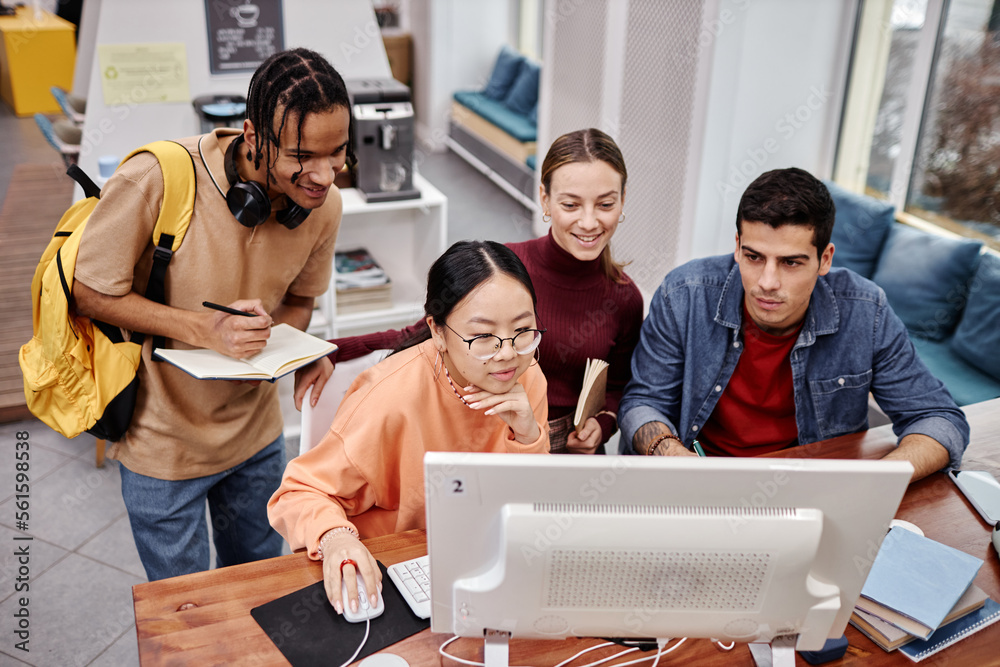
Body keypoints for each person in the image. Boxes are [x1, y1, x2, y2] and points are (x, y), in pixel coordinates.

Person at [72, 48, 349, 580]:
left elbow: (299, 303)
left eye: (336, 153)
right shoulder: (155, 177)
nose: (323, 175)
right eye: (302, 156)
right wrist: (203, 329)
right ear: (252, 137)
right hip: (162, 444)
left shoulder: (322, 207)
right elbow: (88, 291)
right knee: (186, 613)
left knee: (259, 591)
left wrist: (283, 350)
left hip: (256, 439)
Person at [618, 167, 969, 482]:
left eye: (790, 263)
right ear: (737, 246)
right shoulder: (684, 295)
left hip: (806, 492)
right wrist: (670, 453)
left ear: (824, 259)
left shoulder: (866, 310)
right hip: (700, 483)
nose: (767, 282)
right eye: (754, 257)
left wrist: (877, 482)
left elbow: (939, 418)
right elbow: (642, 401)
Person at [315, 128, 643, 454]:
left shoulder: (625, 297)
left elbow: (618, 386)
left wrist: (602, 425)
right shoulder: (506, 270)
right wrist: (329, 350)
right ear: (545, 199)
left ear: (623, 201)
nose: (588, 222)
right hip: (500, 441)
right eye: (571, 205)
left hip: (574, 453)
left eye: (605, 204)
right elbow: (425, 333)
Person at [269, 240, 549, 616]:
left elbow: (528, 508)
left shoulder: (527, 376)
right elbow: (297, 492)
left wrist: (529, 437)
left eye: (523, 330)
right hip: (391, 568)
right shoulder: (388, 396)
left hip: (479, 560)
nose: (506, 353)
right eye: (483, 337)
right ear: (436, 330)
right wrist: (335, 538)